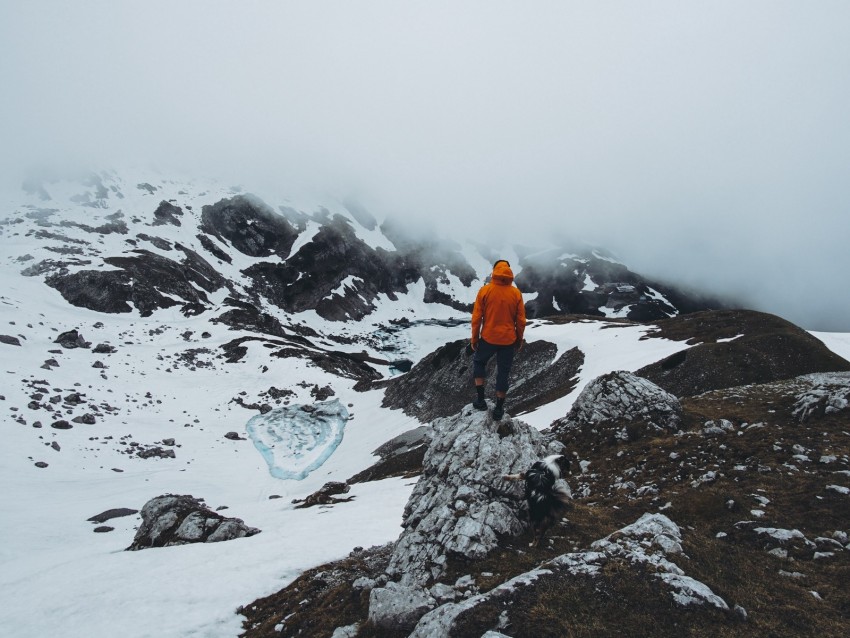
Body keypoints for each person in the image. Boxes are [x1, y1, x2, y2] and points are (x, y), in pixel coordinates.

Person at [470, 259, 526, 420]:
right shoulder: (516, 293)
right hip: (508, 340)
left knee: (479, 362)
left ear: (494, 271)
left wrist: (474, 338)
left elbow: (477, 318)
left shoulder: (485, 290)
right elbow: (521, 320)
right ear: (508, 272)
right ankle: (499, 409)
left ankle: (480, 400)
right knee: (503, 372)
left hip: (488, 337)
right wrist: (519, 339)